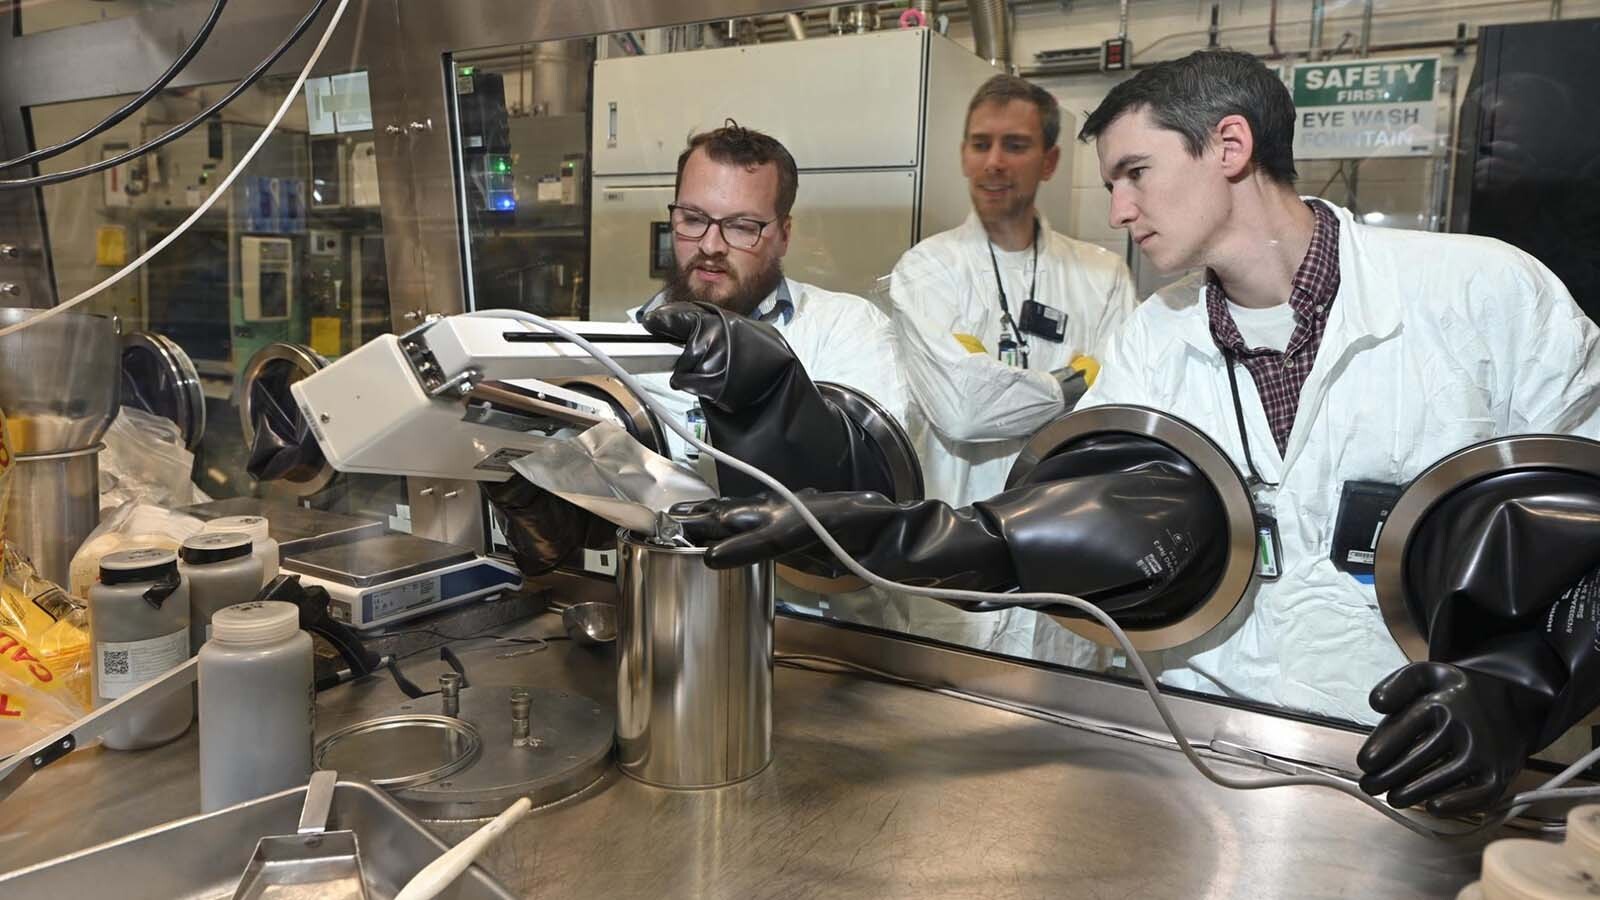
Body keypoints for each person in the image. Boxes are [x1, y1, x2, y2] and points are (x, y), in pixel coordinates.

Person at [671, 50, 1600, 816]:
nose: (1115, 209)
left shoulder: (1487, 297)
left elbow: (1584, 527)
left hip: (1431, 769)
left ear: (1229, 146)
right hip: (1211, 757)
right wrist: (898, 535)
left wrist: (1518, 688)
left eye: (1133, 173)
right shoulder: (1156, 338)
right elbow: (1097, 518)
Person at [489, 123, 909, 572]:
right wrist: (543, 503)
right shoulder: (623, 346)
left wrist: (768, 389)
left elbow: (874, 494)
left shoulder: (846, 327)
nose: (710, 246)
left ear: (784, 234)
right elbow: (607, 509)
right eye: (692, 219)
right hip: (667, 607)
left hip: (818, 625)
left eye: (742, 227)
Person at [873, 74, 1137, 660]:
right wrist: (1074, 379)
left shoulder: (1102, 275)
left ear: (1049, 160)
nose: (994, 162)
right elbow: (964, 410)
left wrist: (998, 379)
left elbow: (1116, 416)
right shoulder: (928, 270)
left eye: (1015, 145)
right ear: (964, 156)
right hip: (953, 563)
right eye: (979, 144)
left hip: (1066, 565)